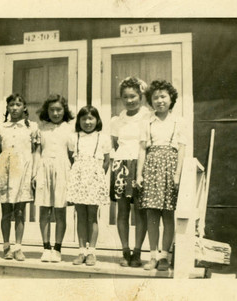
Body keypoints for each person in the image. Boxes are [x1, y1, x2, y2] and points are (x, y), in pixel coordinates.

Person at [137, 80, 186, 271]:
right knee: (151, 214)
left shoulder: (178, 121)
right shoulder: (147, 121)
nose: (159, 101)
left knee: (168, 213)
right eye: (155, 97)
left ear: (171, 98)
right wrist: (139, 174)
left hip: (170, 169)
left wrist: (177, 174)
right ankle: (153, 256)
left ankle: (165, 255)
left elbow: (181, 150)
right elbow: (142, 150)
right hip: (151, 168)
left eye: (163, 96)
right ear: (151, 101)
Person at [0, 94, 39, 261]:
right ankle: (6, 246)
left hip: (23, 170)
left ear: (24, 107)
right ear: (8, 107)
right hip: (5, 170)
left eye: (18, 104)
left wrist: (34, 172)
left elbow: (35, 152)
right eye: (11, 105)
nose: (15, 108)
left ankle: (18, 247)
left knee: (19, 211)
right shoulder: (1, 127)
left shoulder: (31, 127)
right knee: (5, 212)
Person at [110, 76, 151, 267]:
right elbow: (114, 145)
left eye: (133, 96)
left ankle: (137, 251)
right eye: (125, 97)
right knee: (123, 210)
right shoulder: (118, 120)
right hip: (121, 164)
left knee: (140, 211)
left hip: (141, 165)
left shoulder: (148, 116)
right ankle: (125, 250)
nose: (129, 100)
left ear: (140, 95)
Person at [67, 106, 111, 266]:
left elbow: (106, 161)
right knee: (80, 215)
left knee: (92, 216)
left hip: (94, 180)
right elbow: (71, 159)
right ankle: (81, 251)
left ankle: (91, 251)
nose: (87, 122)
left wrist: (96, 176)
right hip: (78, 179)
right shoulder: (74, 138)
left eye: (91, 118)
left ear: (97, 120)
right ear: (79, 121)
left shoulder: (103, 138)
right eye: (84, 118)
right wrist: (81, 172)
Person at [34, 94, 74, 263]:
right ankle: (46, 248)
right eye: (52, 110)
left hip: (63, 168)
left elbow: (72, 154)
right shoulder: (41, 128)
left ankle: (57, 248)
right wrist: (35, 172)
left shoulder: (70, 129)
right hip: (44, 168)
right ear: (46, 111)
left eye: (59, 109)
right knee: (44, 209)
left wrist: (73, 175)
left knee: (60, 210)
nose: (55, 113)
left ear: (64, 110)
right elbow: (37, 151)